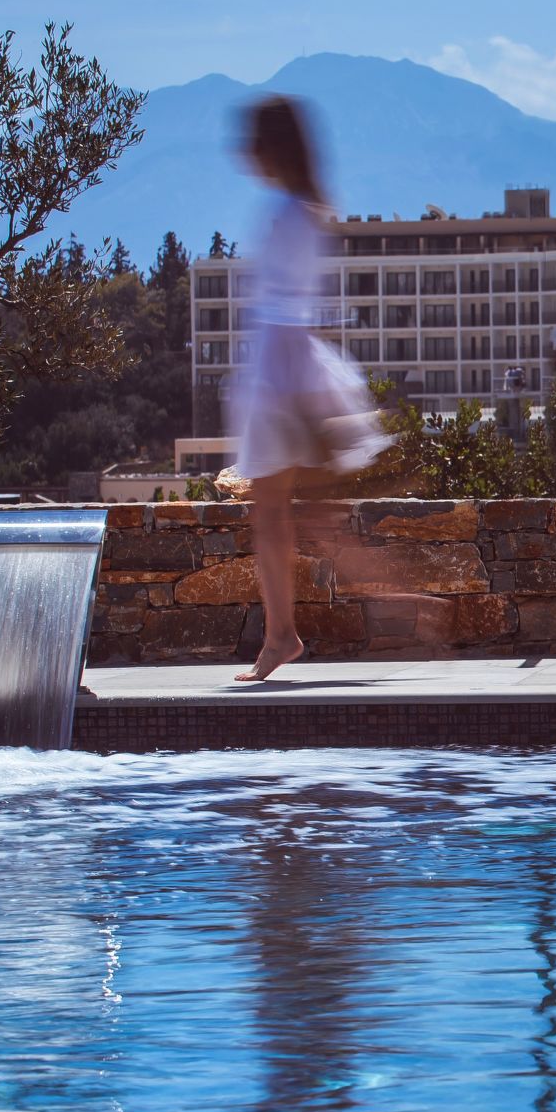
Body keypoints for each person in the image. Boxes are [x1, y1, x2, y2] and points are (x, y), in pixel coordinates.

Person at [228, 96, 385, 682]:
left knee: (277, 515)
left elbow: (292, 313)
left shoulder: (292, 214)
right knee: (284, 514)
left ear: (274, 147)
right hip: (281, 369)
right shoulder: (299, 209)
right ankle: (281, 635)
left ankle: (282, 637)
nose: (245, 153)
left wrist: (301, 402)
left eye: (253, 141)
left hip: (282, 371)